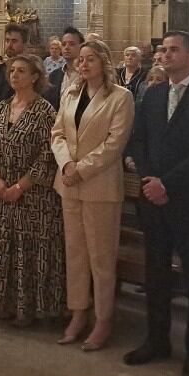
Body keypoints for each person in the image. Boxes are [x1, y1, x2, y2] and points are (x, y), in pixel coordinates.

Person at [123, 30, 189, 376]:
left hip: (188, 200)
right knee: (156, 272)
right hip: (153, 199)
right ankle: (157, 340)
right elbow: (139, 141)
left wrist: (166, 183)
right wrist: (151, 179)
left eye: (173, 50)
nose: (165, 55)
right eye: (163, 50)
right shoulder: (153, 94)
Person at [51, 39, 134, 352]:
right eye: (81, 60)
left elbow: (114, 145)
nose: (83, 65)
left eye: (90, 60)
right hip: (69, 183)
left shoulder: (120, 98)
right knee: (75, 253)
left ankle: (103, 318)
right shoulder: (71, 92)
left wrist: (80, 169)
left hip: (99, 186)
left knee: (100, 257)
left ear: (104, 62)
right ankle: (77, 313)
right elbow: (57, 133)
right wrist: (66, 165)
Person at [0, 54, 65, 326]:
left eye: (21, 71)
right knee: (3, 247)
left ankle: (28, 307)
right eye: (12, 71)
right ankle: (3, 302)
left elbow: (47, 156)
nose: (14, 75)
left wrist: (19, 186)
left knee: (27, 251)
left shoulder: (44, 111)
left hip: (32, 198)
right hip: (0, 194)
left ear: (35, 77)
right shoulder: (3, 107)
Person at [0, 23, 28, 106]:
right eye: (7, 40)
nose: (9, 45)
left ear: (24, 45)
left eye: (14, 41)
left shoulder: (29, 71)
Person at [48, 26, 84, 108]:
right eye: (64, 44)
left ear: (81, 46)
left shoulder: (86, 74)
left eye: (72, 44)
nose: (66, 48)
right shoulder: (54, 75)